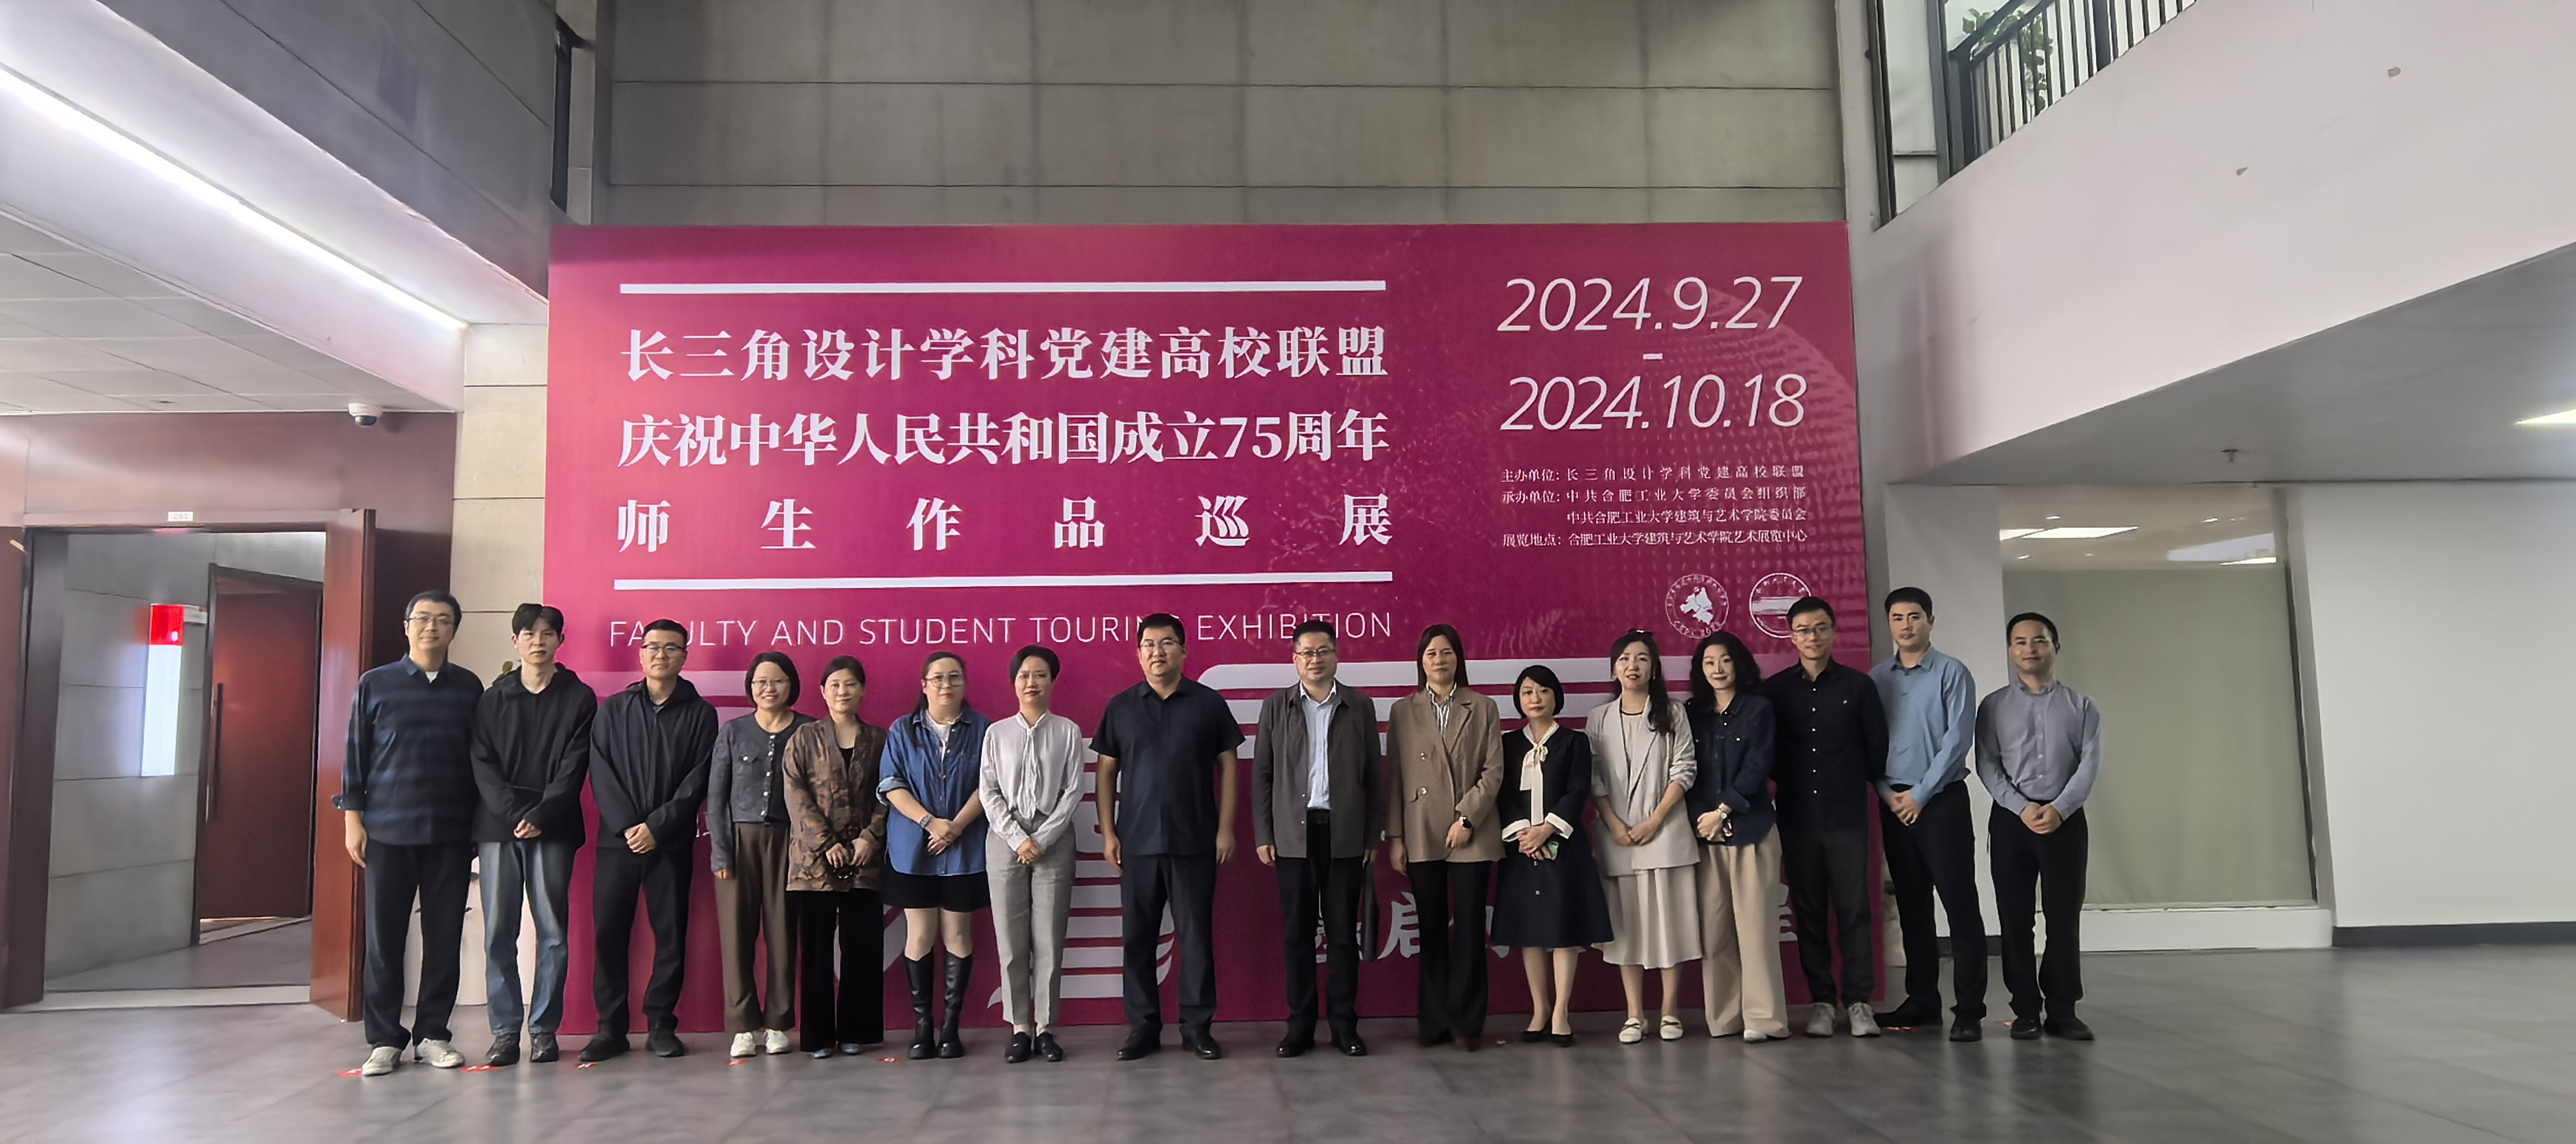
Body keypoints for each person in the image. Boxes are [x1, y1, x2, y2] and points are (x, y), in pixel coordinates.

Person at [338, 589, 484, 1077]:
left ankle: (432, 1035)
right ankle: (384, 1039)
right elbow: (355, 752)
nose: (431, 627)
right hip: (387, 831)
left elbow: (478, 761)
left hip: (450, 832)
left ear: (454, 630)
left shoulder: (469, 687)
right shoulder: (375, 683)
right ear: (407, 626)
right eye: (422, 618)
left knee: (444, 938)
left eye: (442, 620)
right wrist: (353, 818)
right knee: (384, 941)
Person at [1094, 613, 1243, 1062]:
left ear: (1184, 651)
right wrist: (1109, 832)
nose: (1158, 652)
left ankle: (1197, 1028)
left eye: (1168, 643)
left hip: (1195, 840)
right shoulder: (1121, 707)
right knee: (1138, 939)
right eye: (1149, 645)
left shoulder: (1208, 703)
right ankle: (1143, 1028)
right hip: (1136, 843)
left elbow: (1230, 766)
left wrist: (1225, 829)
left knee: (1195, 939)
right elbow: (1106, 771)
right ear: (1138, 654)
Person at [466, 602, 597, 1067]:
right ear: (515, 642)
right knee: (499, 932)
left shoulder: (579, 697)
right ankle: (504, 1032)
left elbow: (574, 765)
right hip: (498, 826)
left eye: (547, 633)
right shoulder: (493, 698)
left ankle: (544, 1030)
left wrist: (542, 812)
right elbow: (482, 762)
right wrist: (511, 813)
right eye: (529, 634)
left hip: (553, 825)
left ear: (560, 640)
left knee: (553, 932)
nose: (538, 641)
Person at [582, 618, 719, 1062]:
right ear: (641, 654)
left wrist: (658, 827)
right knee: (609, 933)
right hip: (617, 842)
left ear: (685, 656)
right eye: (653, 647)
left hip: (670, 842)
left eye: (671, 648)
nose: (662, 655)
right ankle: (611, 1028)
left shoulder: (701, 714)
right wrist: (628, 826)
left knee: (671, 935)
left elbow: (698, 778)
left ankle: (661, 1023)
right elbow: (600, 771)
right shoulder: (613, 709)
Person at [1253, 621, 1382, 1059]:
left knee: (1343, 934)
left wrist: (1371, 835)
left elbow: (1374, 776)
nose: (1315, 659)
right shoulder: (1276, 707)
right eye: (1306, 653)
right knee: (1298, 935)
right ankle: (1300, 1027)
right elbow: (1263, 775)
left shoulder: (1360, 706)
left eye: (1323, 651)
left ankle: (1345, 1026)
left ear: (1337, 656)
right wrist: (1265, 833)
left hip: (1345, 833)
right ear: (1294, 660)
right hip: (1293, 835)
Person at [1764, 597, 1889, 1039]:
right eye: (1803, 629)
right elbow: (1767, 754)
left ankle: (1859, 1002)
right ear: (1791, 636)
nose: (1812, 636)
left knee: (1855, 910)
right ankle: (1822, 1001)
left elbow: (1876, 749)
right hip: (1797, 816)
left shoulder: (1859, 687)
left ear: (1834, 632)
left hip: (1848, 816)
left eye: (1820, 628)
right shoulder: (1775, 691)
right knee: (1810, 911)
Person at [1870, 587, 1990, 1042]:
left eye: (1915, 617)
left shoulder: (1952, 673)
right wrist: (1888, 794)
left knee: (1959, 904)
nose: (1906, 626)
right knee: (1912, 905)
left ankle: (1969, 1009)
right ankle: (1922, 1000)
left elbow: (1957, 740)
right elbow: (1868, 742)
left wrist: (1919, 794)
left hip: (1940, 802)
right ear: (1890, 625)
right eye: (1898, 618)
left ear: (1931, 622)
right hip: (1894, 803)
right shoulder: (1877, 678)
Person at [1978, 612, 2104, 1042]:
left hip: (2064, 822)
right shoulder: (1993, 706)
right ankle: (2026, 1010)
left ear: (2056, 647)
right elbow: (1987, 764)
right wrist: (2021, 808)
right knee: (2014, 919)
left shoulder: (2082, 707)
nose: (2030, 649)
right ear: (2011, 650)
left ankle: (2064, 1010)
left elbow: (2090, 766)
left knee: (2063, 917)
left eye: (2040, 641)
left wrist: (2060, 809)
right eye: (2020, 642)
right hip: (2012, 821)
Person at [1384, 623, 1505, 1051]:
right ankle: (1434, 1022)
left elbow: (1494, 771)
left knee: (1470, 929)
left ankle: (1467, 1025)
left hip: (1472, 829)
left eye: (1447, 652)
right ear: (1421, 661)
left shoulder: (1483, 706)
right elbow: (1396, 776)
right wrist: (1396, 837)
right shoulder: (1403, 710)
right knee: (1431, 928)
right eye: (1431, 653)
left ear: (1459, 658)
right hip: (1421, 829)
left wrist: (1467, 818)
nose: (1439, 660)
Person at [1586, 629, 1700, 1044]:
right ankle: (1634, 1014)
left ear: (1654, 669)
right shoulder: (1599, 718)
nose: (1632, 666)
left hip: (1665, 835)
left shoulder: (1673, 712)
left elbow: (1684, 768)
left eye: (1642, 659)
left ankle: (1670, 1011)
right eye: (1624, 660)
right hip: (1618, 838)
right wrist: (1614, 824)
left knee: (1671, 927)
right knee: (1627, 931)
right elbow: (1594, 778)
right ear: (1614, 670)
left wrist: (1655, 820)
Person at [1492, 665, 1613, 1049]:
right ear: (1518, 700)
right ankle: (1540, 1009)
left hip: (1564, 847)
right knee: (1529, 932)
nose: (1536, 698)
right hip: (1521, 848)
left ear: (1556, 696)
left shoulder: (1575, 742)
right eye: (1528, 692)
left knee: (1563, 930)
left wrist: (1548, 829)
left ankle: (1561, 1012)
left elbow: (1578, 790)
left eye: (1543, 691)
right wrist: (1524, 835)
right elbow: (1501, 794)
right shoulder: (1508, 744)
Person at [879, 650, 993, 1060]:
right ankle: (923, 1027)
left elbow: (989, 783)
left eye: (954, 677)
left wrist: (956, 827)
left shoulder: (983, 729)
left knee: (958, 935)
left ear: (965, 683)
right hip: (914, 850)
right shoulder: (902, 730)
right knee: (920, 935)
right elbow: (891, 784)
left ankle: (951, 1028)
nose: (946, 684)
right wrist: (930, 822)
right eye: (938, 678)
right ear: (924, 685)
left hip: (966, 850)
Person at [980, 645, 1090, 1064]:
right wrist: (1016, 837)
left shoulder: (1068, 731)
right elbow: (988, 791)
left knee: (1049, 939)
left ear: (1052, 681)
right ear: (1014, 683)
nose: (1032, 682)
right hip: (1004, 839)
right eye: (1024, 675)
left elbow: (1073, 791)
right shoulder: (997, 733)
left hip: (1053, 839)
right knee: (1011, 942)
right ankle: (1019, 1027)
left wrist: (1041, 839)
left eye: (1040, 675)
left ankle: (1045, 1027)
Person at [1684, 631, 1791, 1044]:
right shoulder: (1692, 713)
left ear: (1739, 664)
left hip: (1751, 830)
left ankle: (1764, 1019)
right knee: (1715, 934)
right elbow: (1685, 770)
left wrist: (1724, 811)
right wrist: (1704, 818)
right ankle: (1724, 1019)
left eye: (1725, 660)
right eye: (1709, 662)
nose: (1717, 669)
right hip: (1706, 835)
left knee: (1756, 932)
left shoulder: (1759, 709)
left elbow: (1757, 766)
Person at [782, 655, 889, 1059]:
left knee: (862, 949)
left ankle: (856, 1031)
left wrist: (869, 839)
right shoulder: (804, 738)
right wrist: (827, 843)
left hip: (864, 861)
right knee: (816, 953)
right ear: (823, 691)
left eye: (851, 684)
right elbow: (796, 795)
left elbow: (889, 793)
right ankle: (818, 1037)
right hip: (814, 865)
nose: (843, 692)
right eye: (835, 685)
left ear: (862, 690)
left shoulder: (879, 739)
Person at [708, 652, 813, 1058]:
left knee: (783, 934)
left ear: (792, 685)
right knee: (737, 936)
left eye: (777, 681)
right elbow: (716, 798)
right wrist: (721, 853)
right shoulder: (733, 732)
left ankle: (778, 1023)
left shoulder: (808, 730)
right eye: (760, 682)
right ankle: (743, 1026)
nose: (768, 689)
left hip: (790, 843)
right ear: (751, 687)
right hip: (739, 843)